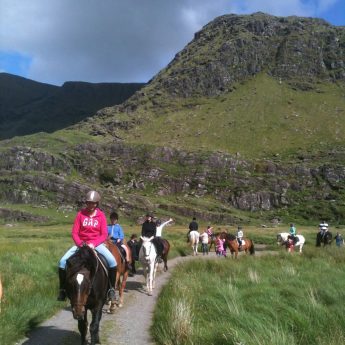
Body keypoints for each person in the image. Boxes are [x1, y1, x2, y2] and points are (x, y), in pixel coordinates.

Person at [57, 191, 117, 302]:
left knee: (112, 262)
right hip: (81, 245)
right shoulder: (80, 214)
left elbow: (104, 234)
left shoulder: (101, 216)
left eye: (94, 203)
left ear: (97, 203)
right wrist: (80, 244)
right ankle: (63, 290)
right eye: (89, 203)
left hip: (96, 245)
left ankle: (111, 290)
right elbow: (74, 233)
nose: (91, 205)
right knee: (62, 262)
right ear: (86, 203)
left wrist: (93, 244)